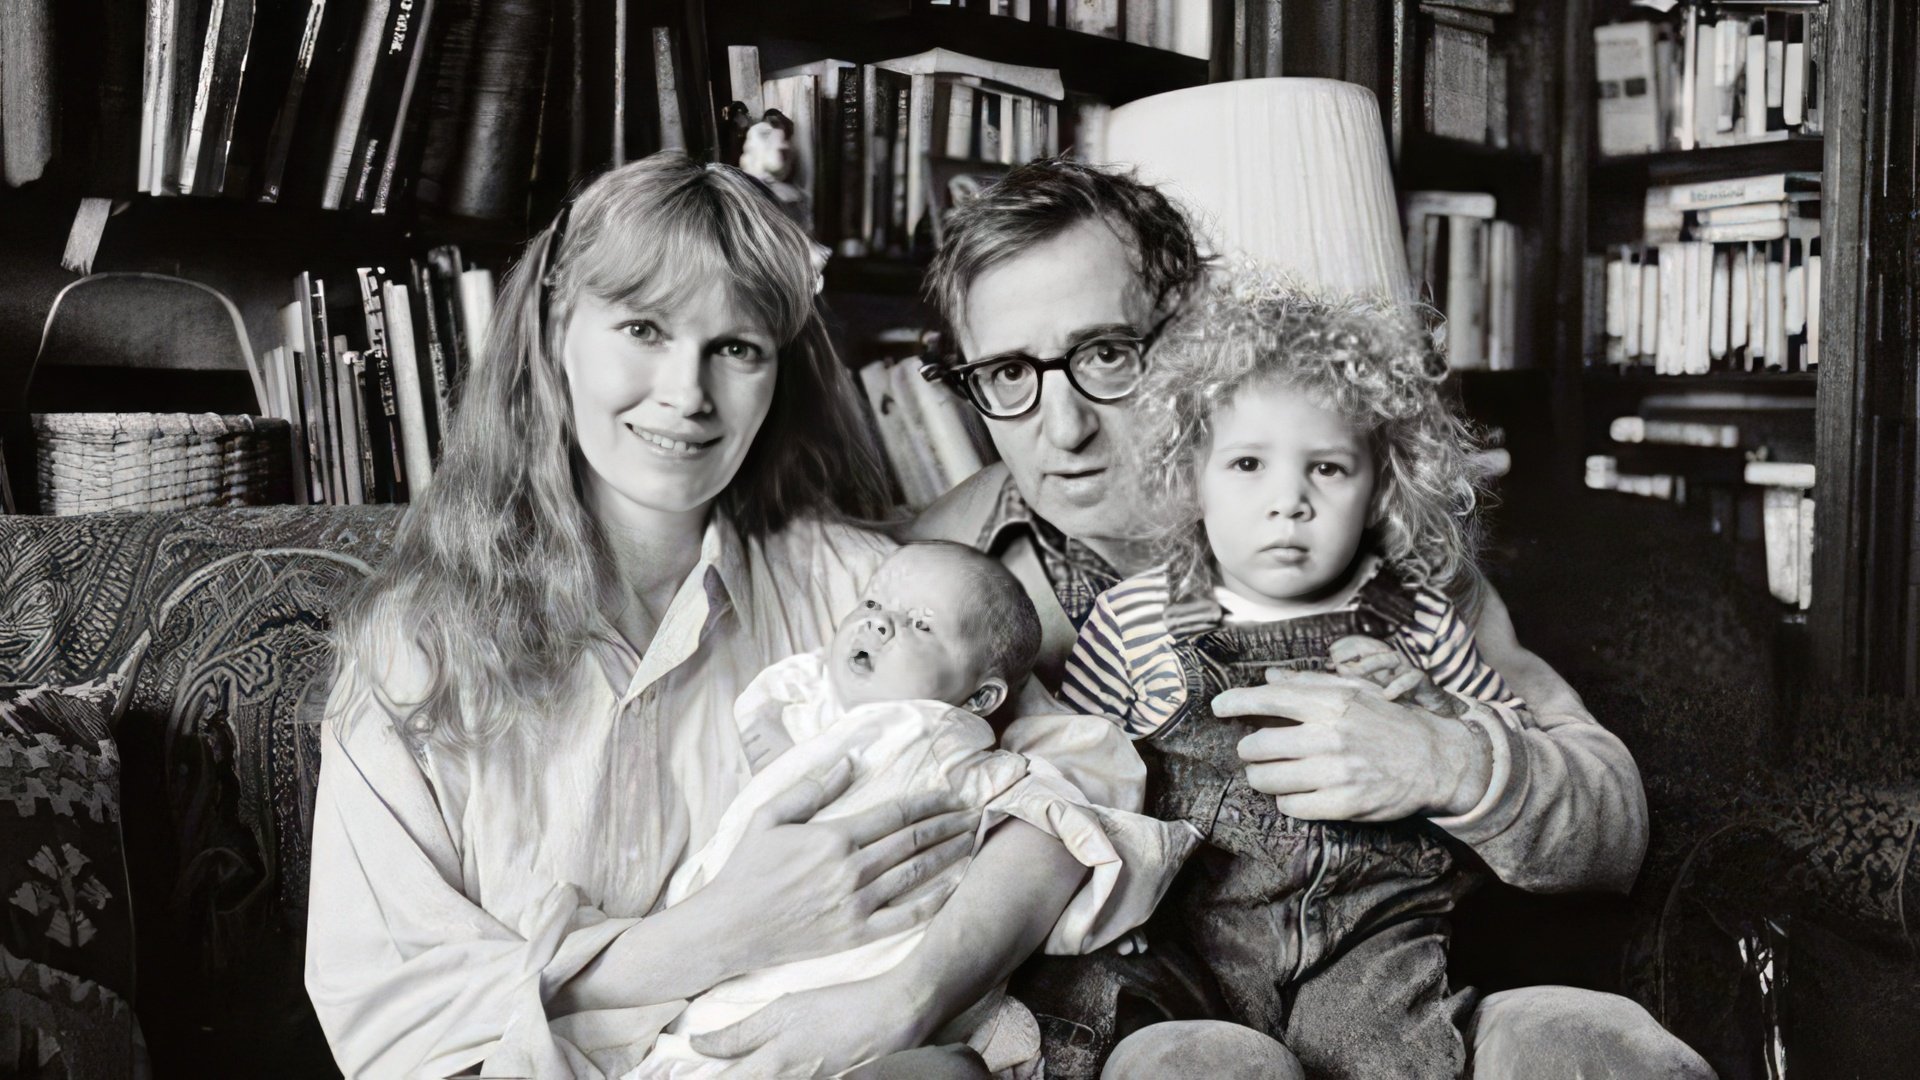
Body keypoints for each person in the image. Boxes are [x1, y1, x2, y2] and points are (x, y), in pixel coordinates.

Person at [305, 154, 1131, 1079]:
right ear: (552, 335)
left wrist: (911, 995)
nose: (687, 394)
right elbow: (392, 1019)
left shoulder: (859, 590)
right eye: (643, 328)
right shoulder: (418, 649)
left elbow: (1082, 782)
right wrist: (721, 931)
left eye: (737, 348)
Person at [911, 157, 1716, 1079]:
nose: (1062, 428)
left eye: (1104, 354)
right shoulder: (937, 574)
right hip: (1158, 1012)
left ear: (1188, 345)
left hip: (1392, 986)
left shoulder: (1370, 556)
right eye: (1008, 372)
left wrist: (1443, 758)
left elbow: (1611, 826)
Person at [1063, 277, 1525, 1079]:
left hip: (1370, 941)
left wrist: (1434, 710)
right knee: (1117, 1028)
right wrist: (1101, 887)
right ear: (1191, 477)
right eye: (1247, 463)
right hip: (1187, 932)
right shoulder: (1137, 618)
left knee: (1390, 1060)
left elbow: (1507, 735)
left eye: (1328, 469)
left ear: (1381, 485)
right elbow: (1070, 771)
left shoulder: (1412, 618)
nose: (1289, 501)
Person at [644, 542, 1153, 1076]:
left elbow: (1059, 817)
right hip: (719, 969)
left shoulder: (945, 750)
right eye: (871, 605)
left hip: (842, 1003)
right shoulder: (803, 719)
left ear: (979, 699)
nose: (880, 624)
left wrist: (1102, 906)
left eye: (920, 624)